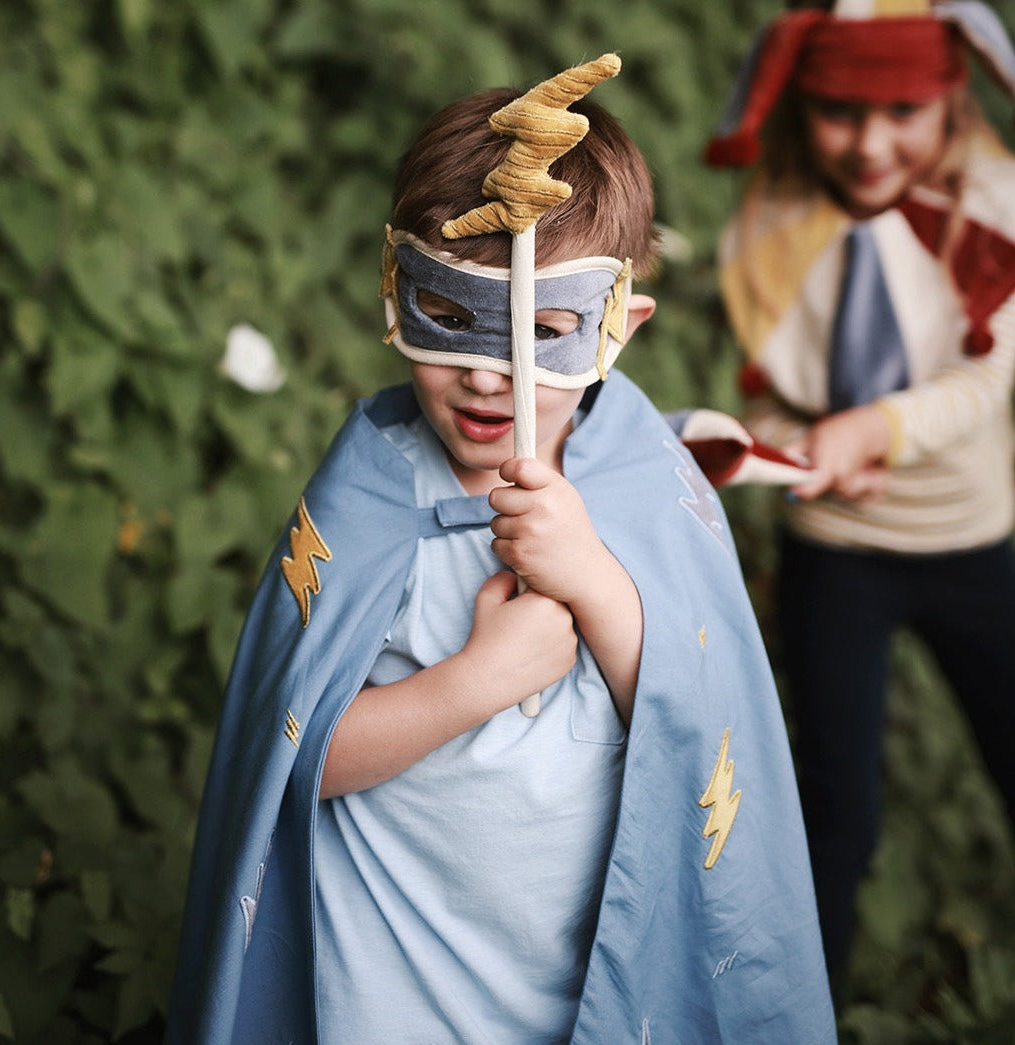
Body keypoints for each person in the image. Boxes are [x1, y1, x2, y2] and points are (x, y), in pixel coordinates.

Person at [166, 58, 835, 1044]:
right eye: (453, 318)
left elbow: (706, 733)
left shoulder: (650, 492)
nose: (491, 380)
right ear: (396, 291)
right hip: (391, 976)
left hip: (588, 976)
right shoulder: (369, 500)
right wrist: (477, 680)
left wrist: (597, 586)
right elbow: (295, 751)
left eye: (543, 332)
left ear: (618, 324)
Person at [705, 0, 1015, 1000]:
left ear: (948, 99)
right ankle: (804, 1007)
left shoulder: (998, 202)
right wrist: (803, 449)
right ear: (801, 105)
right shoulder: (769, 225)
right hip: (834, 549)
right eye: (840, 111)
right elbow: (787, 381)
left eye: (899, 111)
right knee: (834, 807)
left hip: (972, 543)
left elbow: (984, 380)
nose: (870, 142)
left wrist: (872, 429)